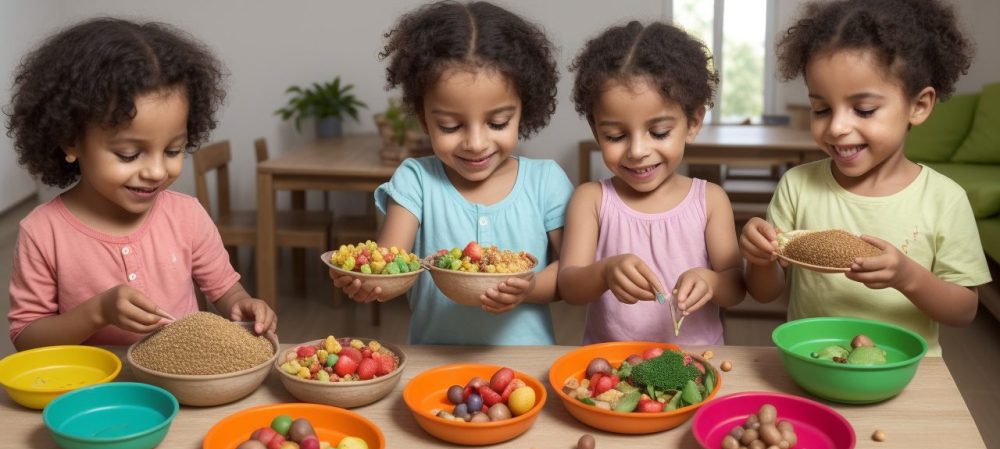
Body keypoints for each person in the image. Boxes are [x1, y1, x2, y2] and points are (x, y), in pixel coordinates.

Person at [6, 18, 277, 350]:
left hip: (183, 386)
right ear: (70, 140)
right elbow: (26, 338)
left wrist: (243, 305)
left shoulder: (187, 216)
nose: (157, 170)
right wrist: (97, 312)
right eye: (129, 154)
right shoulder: (42, 232)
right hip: (94, 393)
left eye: (173, 150)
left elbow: (225, 290)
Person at [740, 0, 989, 356]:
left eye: (864, 110)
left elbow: (963, 310)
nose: (838, 127)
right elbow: (766, 293)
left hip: (903, 375)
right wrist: (760, 259)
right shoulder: (797, 186)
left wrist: (909, 277)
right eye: (821, 109)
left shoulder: (944, 199)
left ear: (918, 106)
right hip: (813, 364)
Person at [331, 1, 572, 345]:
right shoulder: (416, 180)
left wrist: (530, 287)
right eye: (450, 125)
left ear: (524, 109)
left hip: (525, 367)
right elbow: (390, 265)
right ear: (422, 117)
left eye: (497, 123)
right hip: (433, 363)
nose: (475, 143)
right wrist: (369, 285)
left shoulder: (546, 182)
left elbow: (573, 276)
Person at [558, 21, 746, 345]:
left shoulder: (710, 200)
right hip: (612, 374)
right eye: (615, 136)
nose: (637, 151)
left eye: (658, 133)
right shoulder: (590, 200)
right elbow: (570, 287)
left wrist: (710, 282)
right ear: (595, 130)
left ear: (693, 122)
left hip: (697, 368)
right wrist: (604, 272)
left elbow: (737, 287)